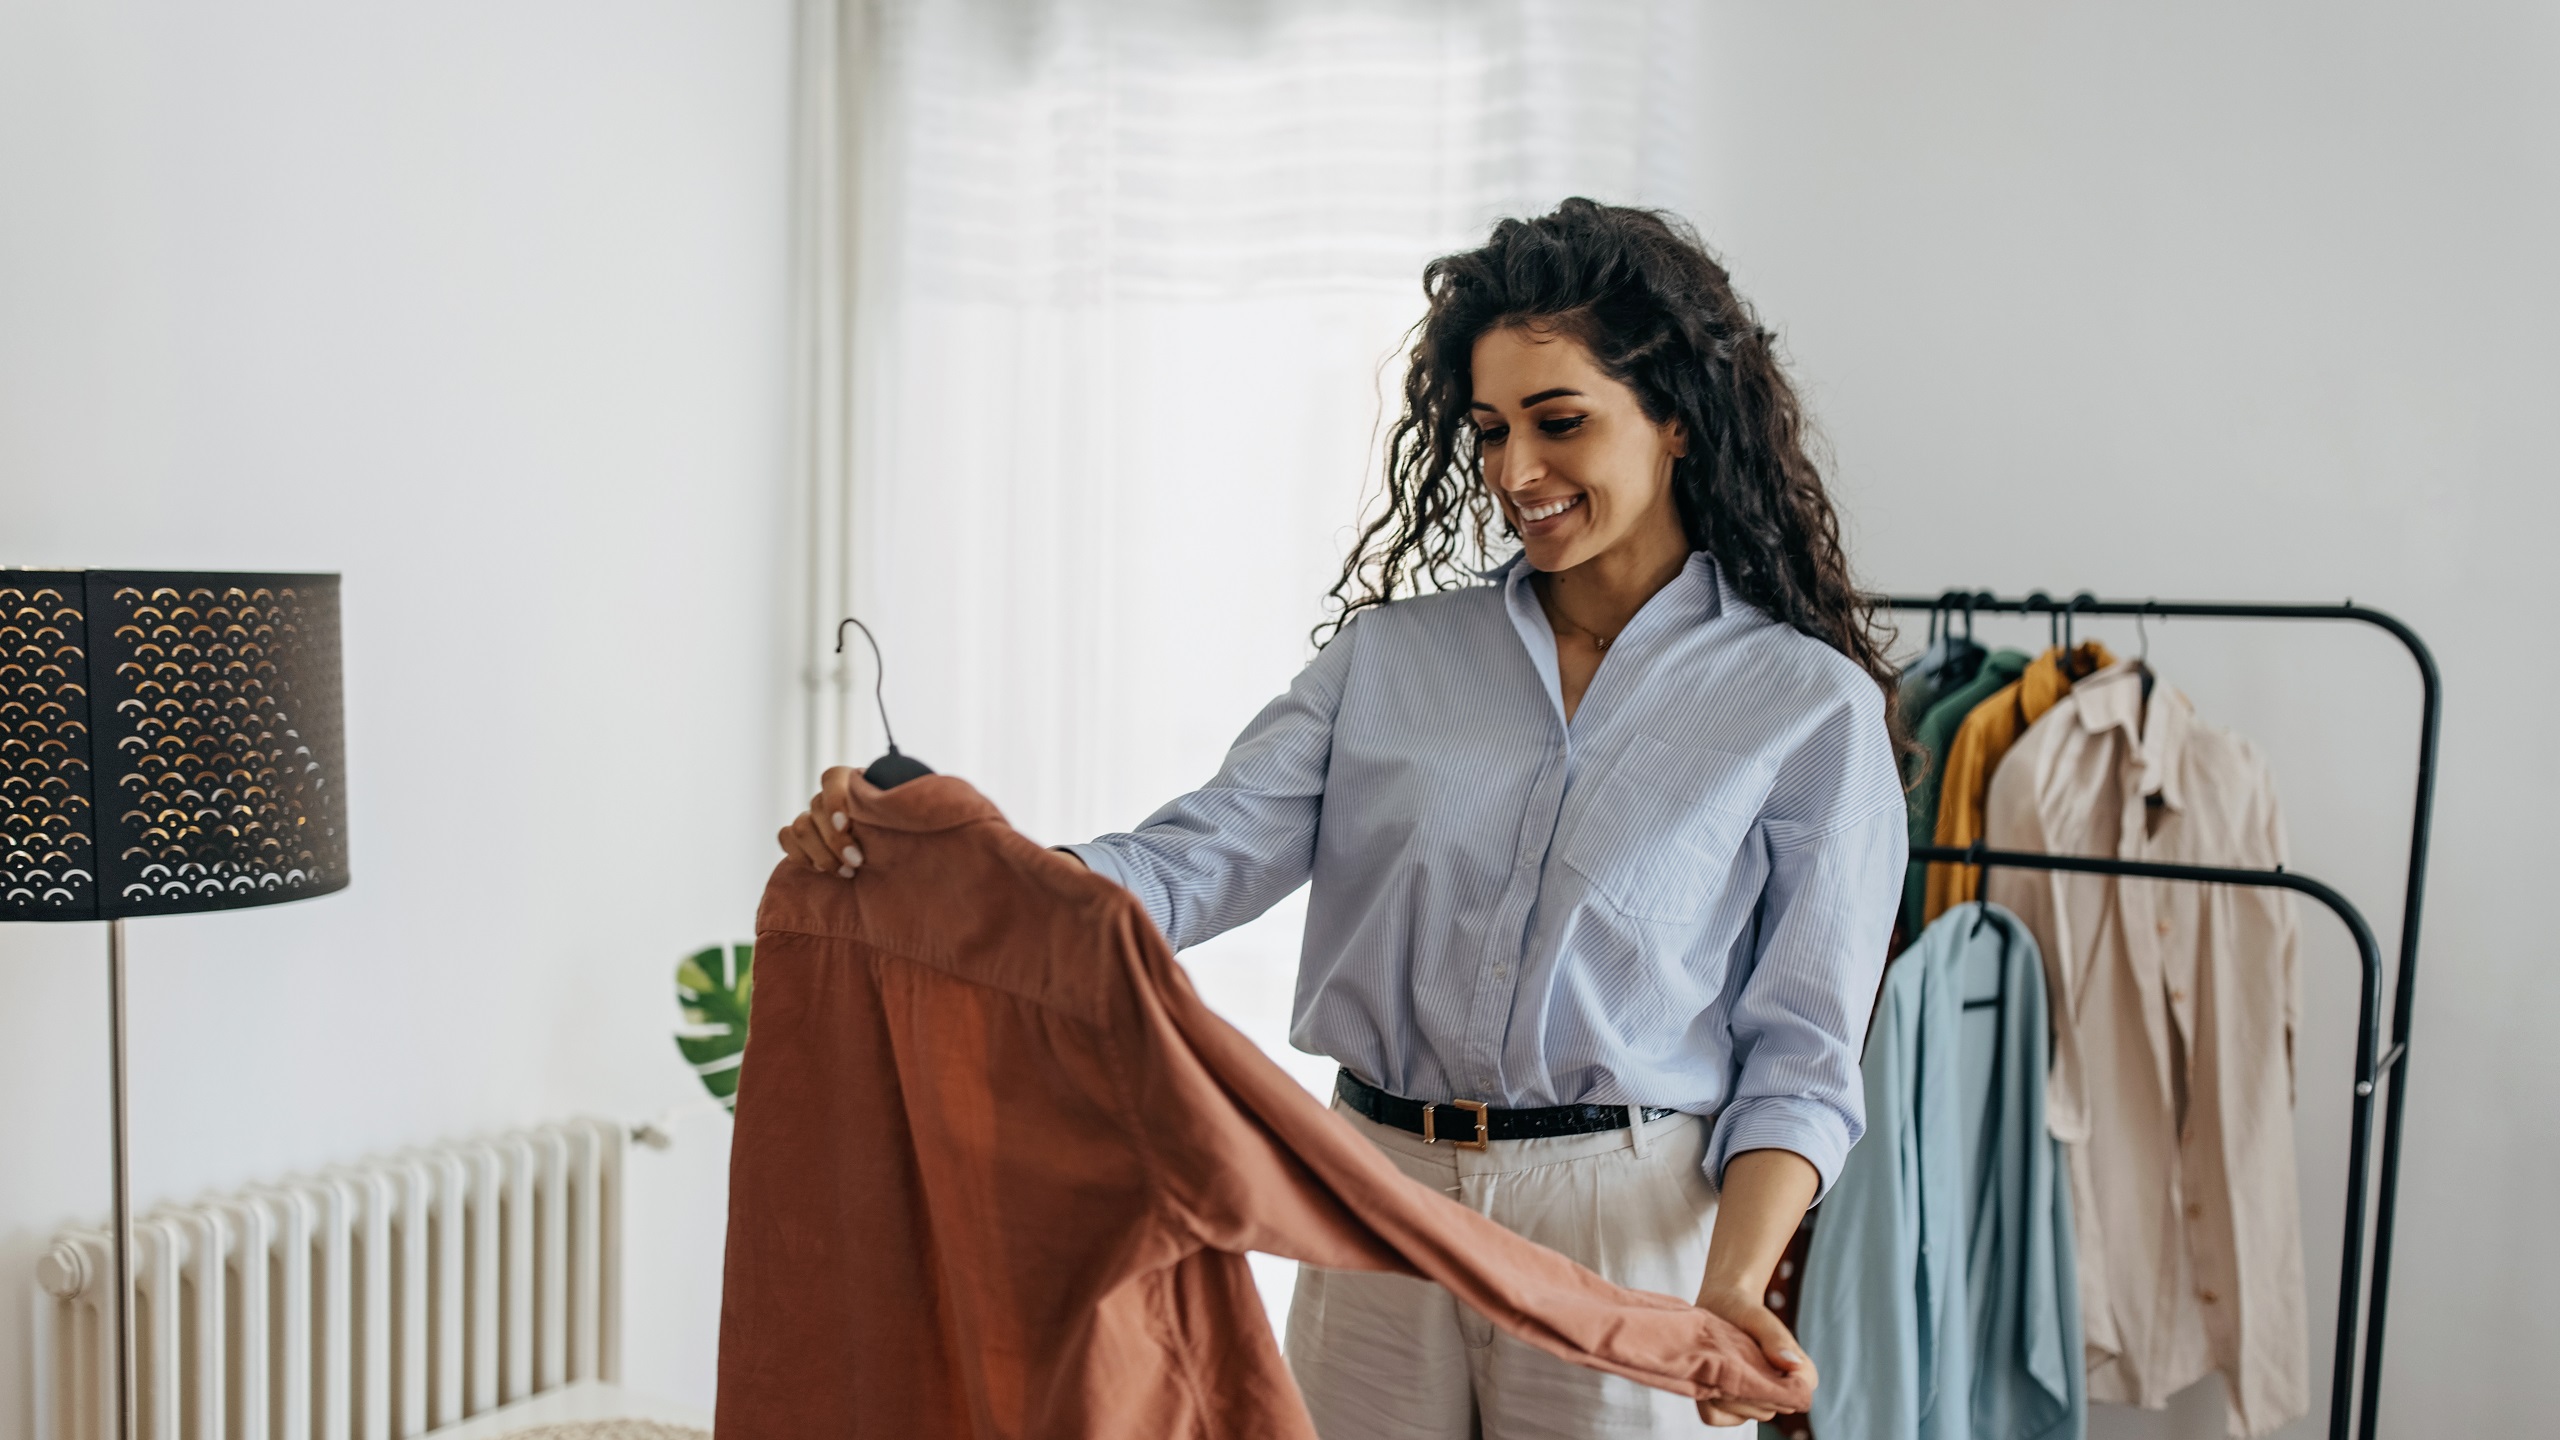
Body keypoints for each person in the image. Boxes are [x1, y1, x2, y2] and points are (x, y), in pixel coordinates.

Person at [781, 198, 1908, 1436]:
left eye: (1558, 422)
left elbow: (1801, 1057)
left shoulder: (1805, 709)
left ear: (1678, 418)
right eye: (1487, 431)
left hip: (1622, 1217)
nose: (1511, 473)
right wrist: (941, 851)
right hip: (1373, 1188)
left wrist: (1729, 1287)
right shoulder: (1393, 660)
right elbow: (1190, 862)